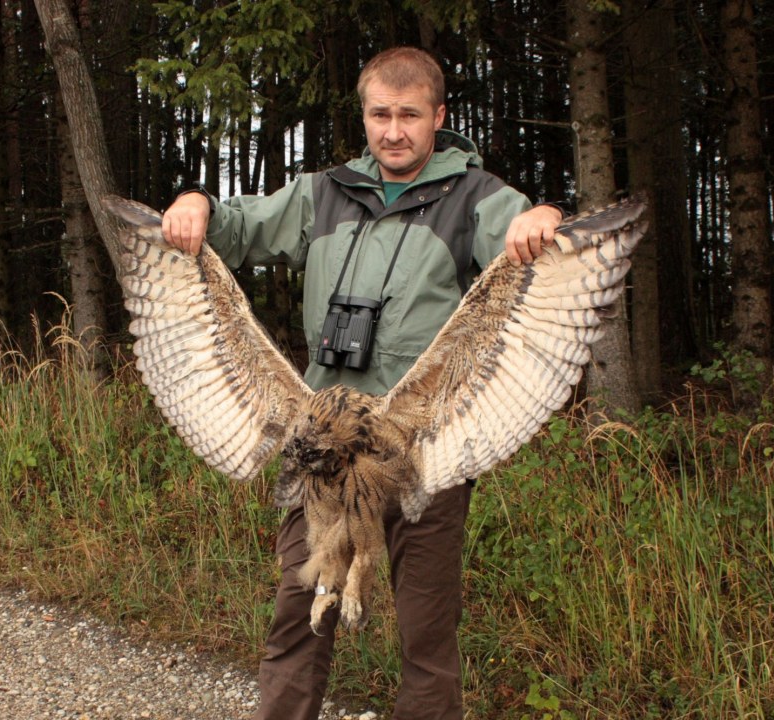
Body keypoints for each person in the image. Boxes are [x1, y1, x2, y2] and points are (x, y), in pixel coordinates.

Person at [161, 46, 563, 720]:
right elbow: (237, 230)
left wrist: (542, 218)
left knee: (426, 634)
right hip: (323, 448)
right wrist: (197, 203)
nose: (393, 131)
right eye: (380, 114)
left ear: (438, 116)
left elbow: (526, 243)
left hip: (423, 453)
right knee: (298, 616)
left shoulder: (476, 198)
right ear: (365, 115)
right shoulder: (324, 192)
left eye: (409, 115)